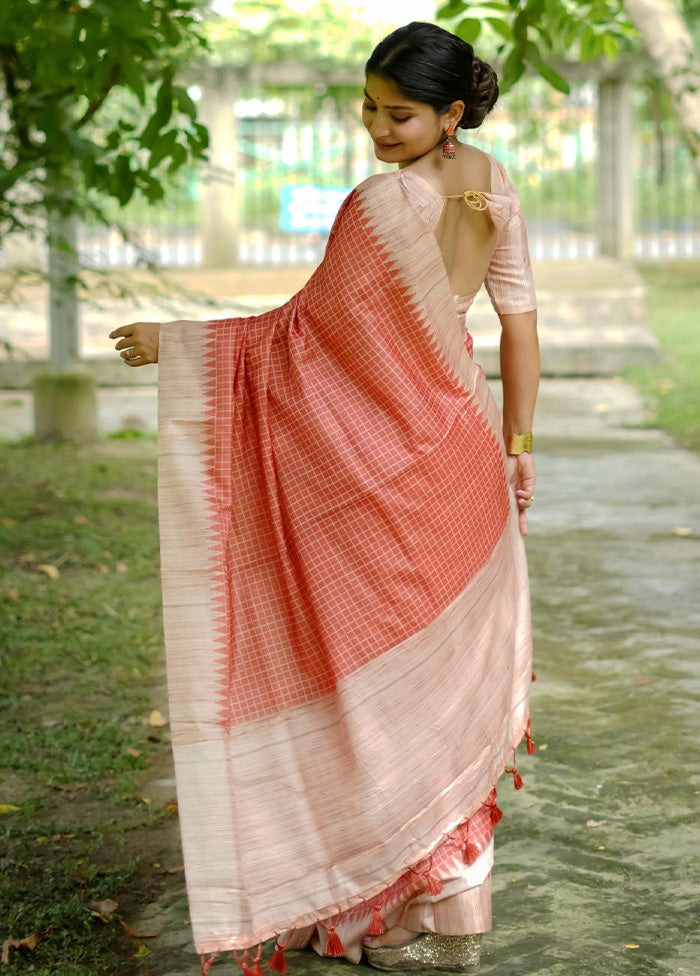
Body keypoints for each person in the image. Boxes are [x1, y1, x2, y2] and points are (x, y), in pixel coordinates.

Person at [110, 21, 538, 975]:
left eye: (400, 114)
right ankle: (433, 914)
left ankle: (413, 907)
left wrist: (180, 344)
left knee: (392, 687)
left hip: (401, 464)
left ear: (451, 113)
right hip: (456, 444)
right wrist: (517, 444)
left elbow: (302, 333)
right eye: (369, 111)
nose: (378, 130)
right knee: (434, 685)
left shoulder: (382, 204)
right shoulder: (493, 185)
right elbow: (517, 324)